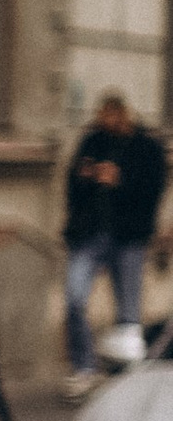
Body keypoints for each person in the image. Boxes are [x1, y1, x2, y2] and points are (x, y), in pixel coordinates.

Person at [61, 91, 165, 391]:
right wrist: (88, 176)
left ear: (123, 114)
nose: (106, 121)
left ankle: (126, 374)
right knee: (75, 297)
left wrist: (119, 181)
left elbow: (151, 190)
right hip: (90, 235)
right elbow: (72, 183)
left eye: (111, 115)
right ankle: (85, 367)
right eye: (102, 115)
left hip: (128, 238)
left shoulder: (146, 146)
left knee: (128, 310)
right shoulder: (93, 142)